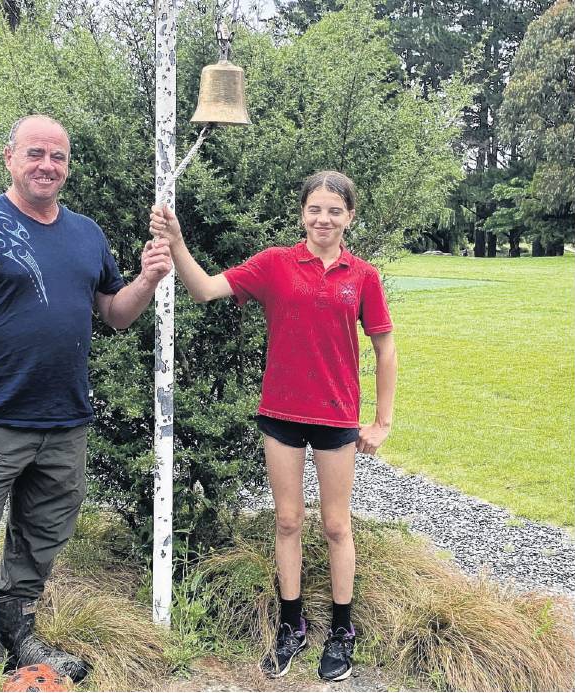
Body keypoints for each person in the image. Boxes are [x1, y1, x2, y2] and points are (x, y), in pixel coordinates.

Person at [0, 114, 172, 691]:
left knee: (40, 541)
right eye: (35, 153)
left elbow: (113, 314)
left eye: (57, 157)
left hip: (64, 423)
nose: (46, 166)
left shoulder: (86, 234)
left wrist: (148, 279)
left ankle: (18, 635)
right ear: (10, 157)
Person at [149, 171, 397, 683]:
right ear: (302, 214)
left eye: (334, 210)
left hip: (335, 415)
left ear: (350, 216)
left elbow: (384, 347)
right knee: (286, 521)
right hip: (280, 413)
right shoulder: (274, 264)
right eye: (315, 210)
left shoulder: (363, 276)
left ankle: (342, 632)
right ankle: (291, 626)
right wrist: (175, 243)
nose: (323, 219)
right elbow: (204, 289)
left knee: (335, 525)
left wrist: (381, 420)